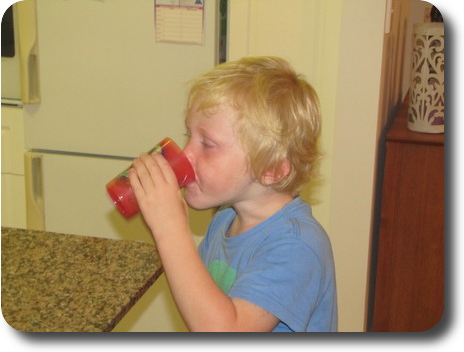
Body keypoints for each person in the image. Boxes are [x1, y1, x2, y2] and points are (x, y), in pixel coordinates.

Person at [128, 56, 337, 332]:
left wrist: (170, 228)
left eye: (208, 143)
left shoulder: (298, 247)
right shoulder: (225, 221)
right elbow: (200, 302)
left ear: (271, 169)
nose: (186, 154)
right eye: (189, 136)